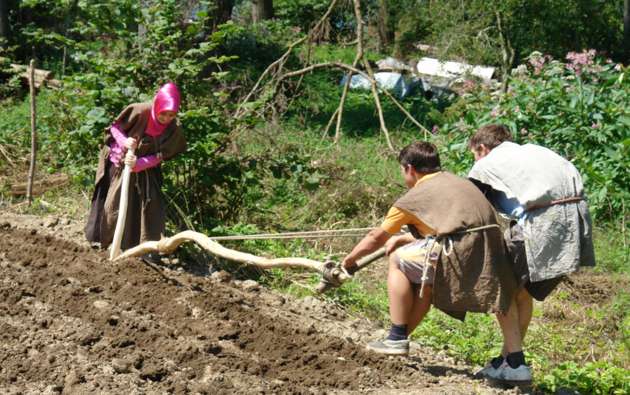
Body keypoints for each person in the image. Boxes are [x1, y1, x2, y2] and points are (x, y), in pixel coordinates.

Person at [342, 141, 517, 360]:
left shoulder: (414, 197)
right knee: (422, 277)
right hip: (491, 253)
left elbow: (376, 237)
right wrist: (406, 238)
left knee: (398, 260)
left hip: (460, 253)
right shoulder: (457, 181)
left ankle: (396, 337)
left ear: (409, 169)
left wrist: (349, 261)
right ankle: (398, 338)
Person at [468, 124, 595, 382]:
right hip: (577, 220)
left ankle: (515, 363)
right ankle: (507, 360)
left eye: (474, 154)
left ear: (481, 148)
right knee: (521, 293)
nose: (476, 160)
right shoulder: (535, 151)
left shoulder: (487, 162)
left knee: (499, 288)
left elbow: (470, 205)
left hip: (542, 222)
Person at [85, 82, 186, 262]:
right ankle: (107, 245)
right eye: (163, 113)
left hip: (146, 171)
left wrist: (142, 163)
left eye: (171, 115)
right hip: (119, 164)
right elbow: (115, 128)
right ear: (157, 106)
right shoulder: (140, 111)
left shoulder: (173, 128)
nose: (166, 118)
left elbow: (164, 154)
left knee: (148, 210)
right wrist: (124, 142)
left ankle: (142, 250)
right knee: (113, 206)